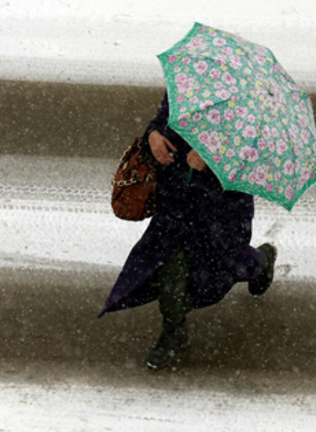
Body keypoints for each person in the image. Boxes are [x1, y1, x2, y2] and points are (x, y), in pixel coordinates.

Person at [100, 92, 277, 370]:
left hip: (220, 206)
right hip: (176, 199)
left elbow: (256, 155)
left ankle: (261, 261)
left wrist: (213, 157)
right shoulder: (186, 85)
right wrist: (154, 136)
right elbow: (161, 120)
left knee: (224, 262)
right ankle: (173, 329)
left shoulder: (248, 101)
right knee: (171, 261)